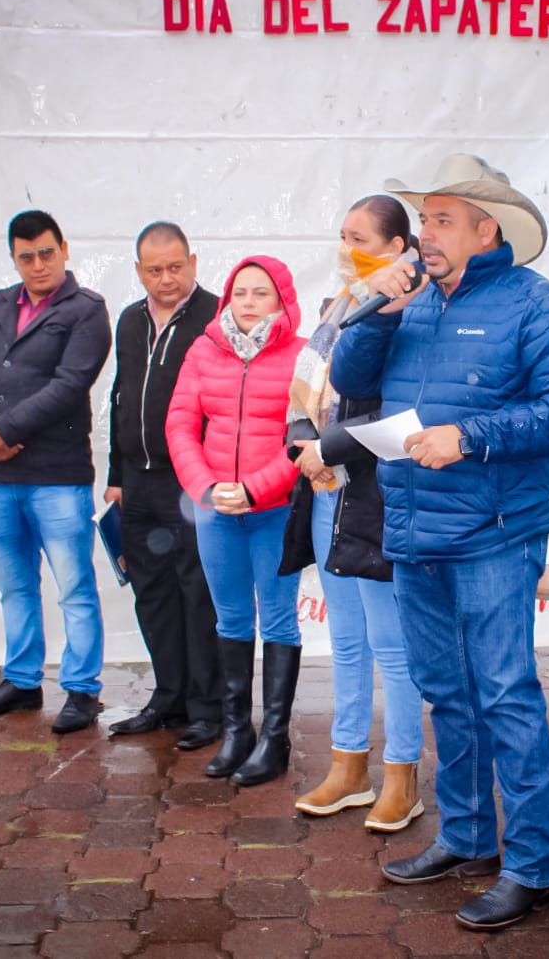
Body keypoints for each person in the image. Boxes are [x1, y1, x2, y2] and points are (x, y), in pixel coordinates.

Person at [333, 154, 549, 932]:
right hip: (414, 530)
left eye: (442, 219)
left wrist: (472, 437)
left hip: (492, 535)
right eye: (424, 220)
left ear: (488, 229)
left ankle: (529, 867)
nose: (426, 234)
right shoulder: (411, 301)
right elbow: (353, 378)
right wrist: (375, 309)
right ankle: (466, 836)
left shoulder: (537, 306)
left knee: (505, 694)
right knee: (446, 692)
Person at [283, 195, 425, 832]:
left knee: (391, 648)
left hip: (373, 493)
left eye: (360, 237)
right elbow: (303, 386)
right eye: (342, 235)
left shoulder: (410, 313)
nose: (347, 248)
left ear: (398, 249)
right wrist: (302, 449)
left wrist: (328, 449)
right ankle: (348, 768)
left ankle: (403, 777)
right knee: (345, 643)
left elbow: (392, 409)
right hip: (323, 491)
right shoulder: (334, 307)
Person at [0, 210, 112, 734]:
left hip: (57, 476)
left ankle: (83, 690)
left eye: (47, 252)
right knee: (14, 585)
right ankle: (22, 681)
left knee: (74, 587)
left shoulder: (86, 309)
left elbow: (70, 384)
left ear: (64, 248)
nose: (39, 264)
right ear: (13, 259)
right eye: (27, 256)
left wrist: (4, 429)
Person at [165, 256, 308, 786]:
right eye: (239, 293)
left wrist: (255, 488)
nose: (248, 303)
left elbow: (304, 436)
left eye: (260, 293)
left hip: (273, 511)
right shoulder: (204, 350)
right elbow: (180, 422)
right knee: (228, 619)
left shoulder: (302, 354)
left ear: (281, 299)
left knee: (277, 620)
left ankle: (274, 739)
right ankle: (236, 732)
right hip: (215, 509)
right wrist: (206, 487)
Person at [102, 221, 223, 749]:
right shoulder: (129, 321)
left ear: (193, 262)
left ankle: (208, 707)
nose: (166, 279)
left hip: (191, 483)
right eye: (154, 270)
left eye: (176, 267)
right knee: (151, 594)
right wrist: (114, 476)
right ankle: (168, 696)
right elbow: (120, 397)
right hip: (137, 484)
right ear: (138, 271)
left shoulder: (216, 316)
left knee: (198, 593)